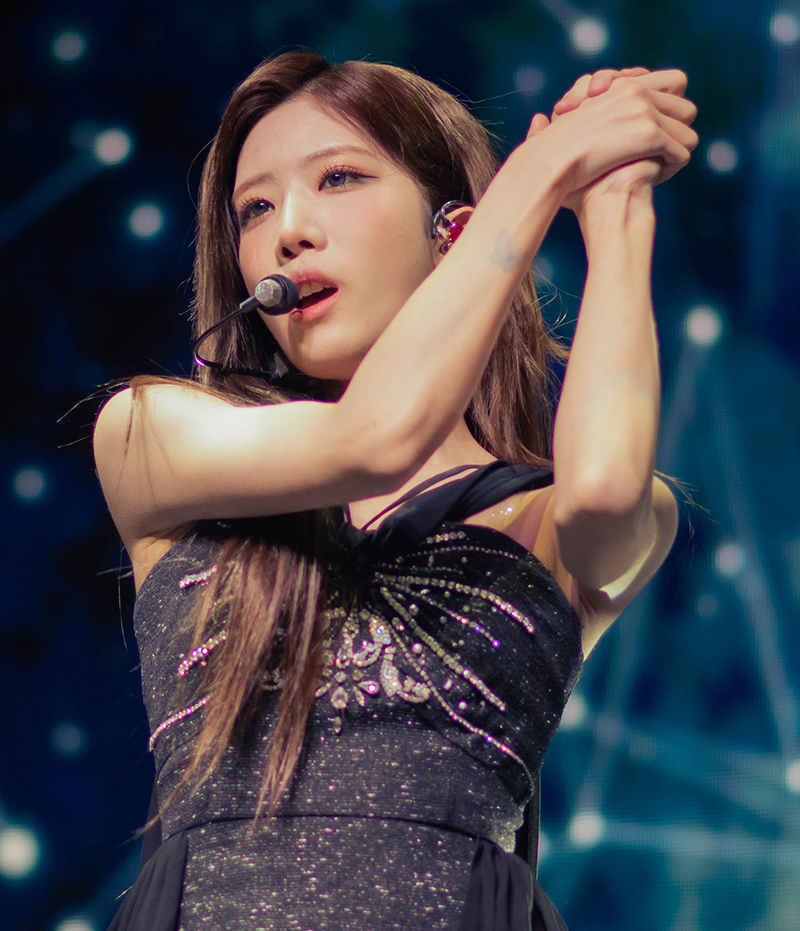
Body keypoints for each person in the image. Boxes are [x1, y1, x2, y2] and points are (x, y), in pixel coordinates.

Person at [93, 51, 697, 931]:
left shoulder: (541, 519)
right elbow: (376, 438)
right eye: (254, 209)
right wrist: (540, 170)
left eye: (338, 178)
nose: (288, 231)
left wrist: (617, 202)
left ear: (455, 228)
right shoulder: (150, 434)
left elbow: (604, 498)